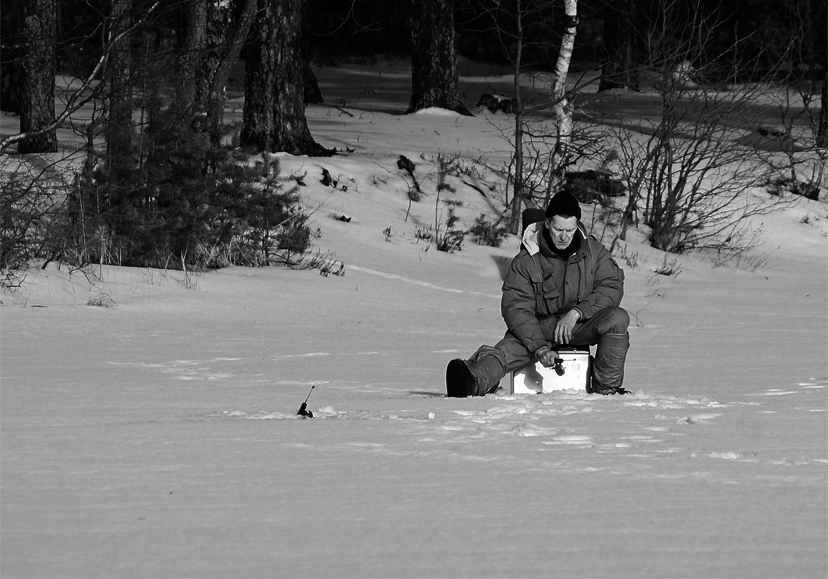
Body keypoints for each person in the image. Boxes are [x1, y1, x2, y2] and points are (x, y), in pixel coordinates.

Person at [446, 188, 630, 397]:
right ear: (548, 223)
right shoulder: (527, 260)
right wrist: (540, 347)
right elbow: (517, 307)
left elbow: (612, 285)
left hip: (580, 324)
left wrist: (578, 312)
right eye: (559, 229)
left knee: (617, 318)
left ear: (577, 225)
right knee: (509, 349)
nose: (564, 236)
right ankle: (473, 381)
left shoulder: (594, 252)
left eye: (570, 230)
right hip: (540, 328)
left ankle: (607, 390)